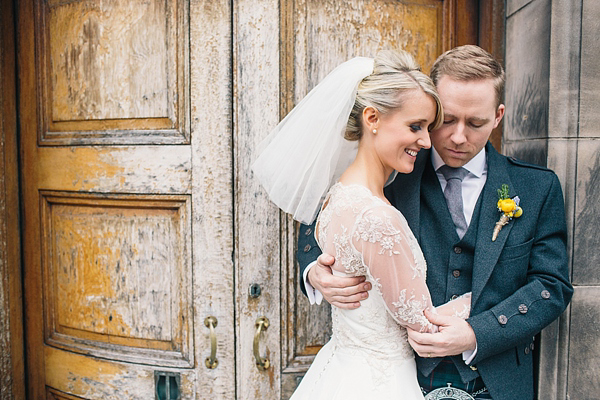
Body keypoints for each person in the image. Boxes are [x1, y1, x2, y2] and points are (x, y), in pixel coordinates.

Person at [298, 45, 573, 400]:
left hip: (496, 382)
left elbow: (552, 285)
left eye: (475, 123)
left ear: (498, 116)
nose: (459, 137)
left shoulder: (537, 187)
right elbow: (318, 218)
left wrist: (478, 332)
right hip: (406, 378)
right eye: (447, 120)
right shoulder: (396, 167)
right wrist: (315, 272)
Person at [253, 50, 473, 399]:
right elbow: (424, 323)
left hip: (341, 371)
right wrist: (489, 294)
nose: (427, 141)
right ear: (372, 117)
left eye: (428, 128)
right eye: (415, 126)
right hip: (381, 382)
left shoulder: (335, 195)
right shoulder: (377, 218)